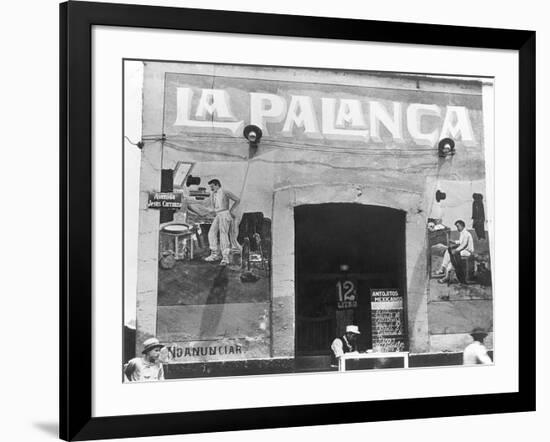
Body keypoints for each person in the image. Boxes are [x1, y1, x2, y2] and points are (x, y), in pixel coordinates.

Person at [203, 179, 240, 266]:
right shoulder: (213, 194)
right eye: (210, 187)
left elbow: (237, 200)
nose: (211, 188)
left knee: (223, 234)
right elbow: (213, 206)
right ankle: (214, 254)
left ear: (217, 185)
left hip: (225, 214)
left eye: (212, 186)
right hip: (218, 215)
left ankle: (225, 258)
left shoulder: (225, 192)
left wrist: (231, 210)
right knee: (211, 233)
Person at [436, 219, 474, 283]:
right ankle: (446, 274)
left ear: (462, 226)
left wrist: (456, 251)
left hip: (467, 252)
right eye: (456, 226)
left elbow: (464, 245)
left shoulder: (466, 234)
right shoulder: (462, 233)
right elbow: (460, 242)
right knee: (450, 254)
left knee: (451, 254)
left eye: (458, 226)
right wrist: (453, 241)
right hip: (463, 251)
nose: (457, 228)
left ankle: (443, 270)